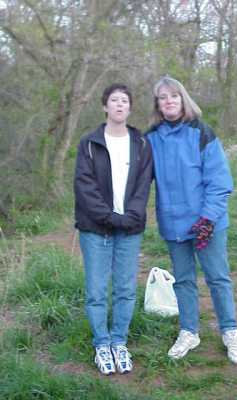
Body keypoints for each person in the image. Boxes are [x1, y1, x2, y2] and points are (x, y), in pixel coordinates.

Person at [146, 76, 237, 364]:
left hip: (207, 223)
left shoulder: (202, 133)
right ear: (158, 104)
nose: (169, 101)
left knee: (217, 278)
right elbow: (138, 179)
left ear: (183, 99)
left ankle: (230, 331)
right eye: (163, 97)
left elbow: (219, 181)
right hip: (173, 224)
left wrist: (208, 219)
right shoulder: (151, 138)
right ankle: (189, 331)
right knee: (184, 280)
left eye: (174, 96)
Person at [74, 83, 153, 375]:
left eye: (124, 101)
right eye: (114, 100)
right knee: (96, 290)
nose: (119, 105)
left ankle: (119, 341)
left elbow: (144, 183)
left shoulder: (141, 143)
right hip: (95, 228)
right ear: (104, 106)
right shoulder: (90, 143)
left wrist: (130, 215)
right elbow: (84, 187)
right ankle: (101, 344)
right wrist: (109, 217)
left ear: (130, 108)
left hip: (130, 228)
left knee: (125, 289)